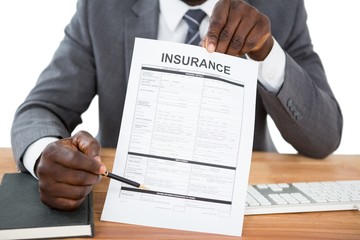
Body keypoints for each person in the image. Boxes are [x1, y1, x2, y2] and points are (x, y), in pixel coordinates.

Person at [11, 0, 343, 211]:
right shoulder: (103, 7)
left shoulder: (280, 6)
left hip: (238, 203)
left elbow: (325, 136)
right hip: (126, 196)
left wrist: (267, 54)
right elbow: (39, 111)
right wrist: (45, 156)